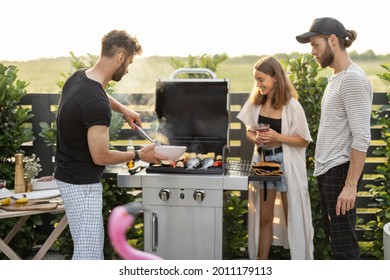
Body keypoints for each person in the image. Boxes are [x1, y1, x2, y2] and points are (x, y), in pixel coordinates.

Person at [54, 30, 167, 260]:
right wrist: (138, 154)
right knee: (89, 255)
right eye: (129, 63)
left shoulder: (79, 77)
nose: (127, 69)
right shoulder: (96, 104)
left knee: (86, 250)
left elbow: (98, 94)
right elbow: (101, 156)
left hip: (67, 175)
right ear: (120, 58)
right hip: (82, 184)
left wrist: (123, 109)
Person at [296, 17, 373, 259]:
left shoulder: (351, 79)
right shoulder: (337, 77)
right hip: (329, 172)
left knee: (344, 249)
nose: (312, 52)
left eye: (315, 44)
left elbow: (361, 137)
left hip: (340, 172)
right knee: (337, 241)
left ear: (332, 40)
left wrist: (350, 186)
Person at [237, 56, 314, 260]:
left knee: (292, 218)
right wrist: (256, 138)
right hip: (264, 163)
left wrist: (278, 137)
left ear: (276, 78)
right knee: (264, 219)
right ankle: (260, 265)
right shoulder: (255, 103)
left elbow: (304, 140)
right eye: (256, 80)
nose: (258, 84)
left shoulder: (292, 106)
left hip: (285, 163)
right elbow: (248, 130)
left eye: (262, 79)